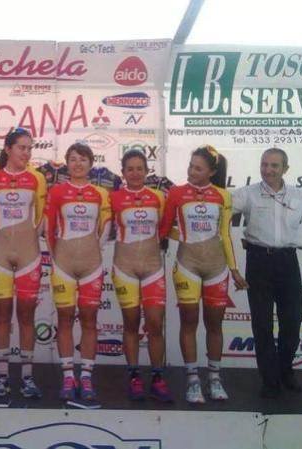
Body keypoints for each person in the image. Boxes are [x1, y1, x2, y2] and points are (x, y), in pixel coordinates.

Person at [232, 147, 302, 398]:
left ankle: (285, 371)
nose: (268, 170)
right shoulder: (247, 194)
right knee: (262, 325)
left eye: (274, 165)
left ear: (285, 169)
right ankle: (270, 381)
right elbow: (218, 209)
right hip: (258, 262)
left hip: (287, 263)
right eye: (264, 164)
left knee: (292, 321)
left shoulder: (299, 197)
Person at [160, 145, 247, 404]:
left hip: (216, 268)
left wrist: (234, 270)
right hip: (187, 265)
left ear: (211, 172)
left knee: (214, 325)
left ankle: (215, 378)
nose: (191, 171)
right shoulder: (176, 193)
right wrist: (184, 235)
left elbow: (225, 235)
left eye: (198, 168)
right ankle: (192, 380)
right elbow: (164, 228)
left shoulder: (223, 195)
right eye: (190, 166)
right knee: (189, 322)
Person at [0, 127, 47, 399]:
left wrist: (26, 239)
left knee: (27, 316)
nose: (27, 153)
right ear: (8, 149)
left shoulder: (37, 178)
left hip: (29, 255)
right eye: (22, 147)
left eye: (30, 148)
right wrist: (1, 239)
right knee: (1, 315)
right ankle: (2, 377)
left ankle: (27, 377)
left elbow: (41, 218)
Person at [45, 143, 111, 401]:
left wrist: (95, 251)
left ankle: (86, 377)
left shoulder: (100, 193)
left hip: (91, 265)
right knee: (64, 319)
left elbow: (106, 227)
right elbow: (49, 228)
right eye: (73, 159)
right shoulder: (57, 191)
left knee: (89, 320)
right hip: (63, 264)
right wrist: (55, 257)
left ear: (91, 163)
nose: (78, 164)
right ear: (67, 164)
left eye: (83, 159)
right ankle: (67, 376)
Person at [109, 150, 172, 402]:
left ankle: (157, 377)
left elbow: (165, 228)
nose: (135, 173)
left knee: (155, 323)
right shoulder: (113, 198)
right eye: (130, 169)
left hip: (152, 268)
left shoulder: (158, 197)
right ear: (123, 173)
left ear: (147, 171)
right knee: (131, 323)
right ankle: (134, 376)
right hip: (124, 267)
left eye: (139, 168)